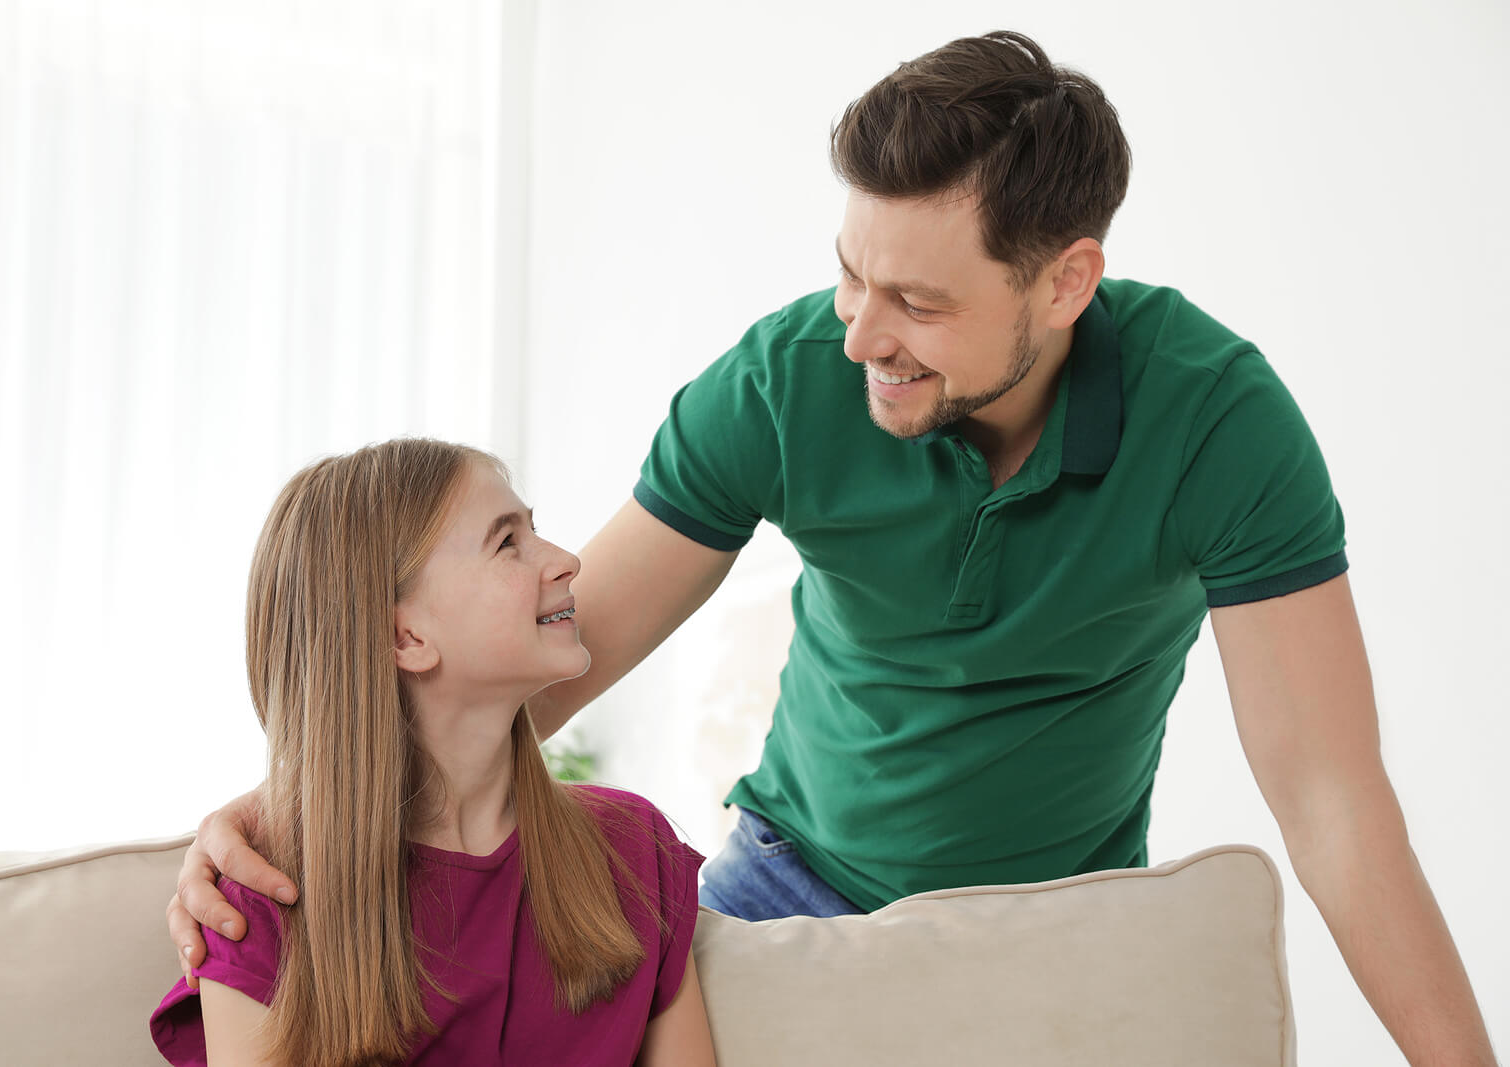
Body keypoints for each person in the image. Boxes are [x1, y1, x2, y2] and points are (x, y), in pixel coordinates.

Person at [167, 32, 1496, 1064]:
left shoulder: (1218, 420)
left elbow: (1330, 795)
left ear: (1066, 283)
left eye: (917, 300)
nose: (861, 332)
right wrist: (299, 805)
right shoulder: (788, 378)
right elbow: (559, 649)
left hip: (1059, 909)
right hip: (786, 885)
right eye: (852, 273)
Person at [149, 439, 715, 1066]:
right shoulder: (263, 904)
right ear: (406, 636)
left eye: (535, 532)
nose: (567, 561)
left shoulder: (634, 850)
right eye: (507, 543)